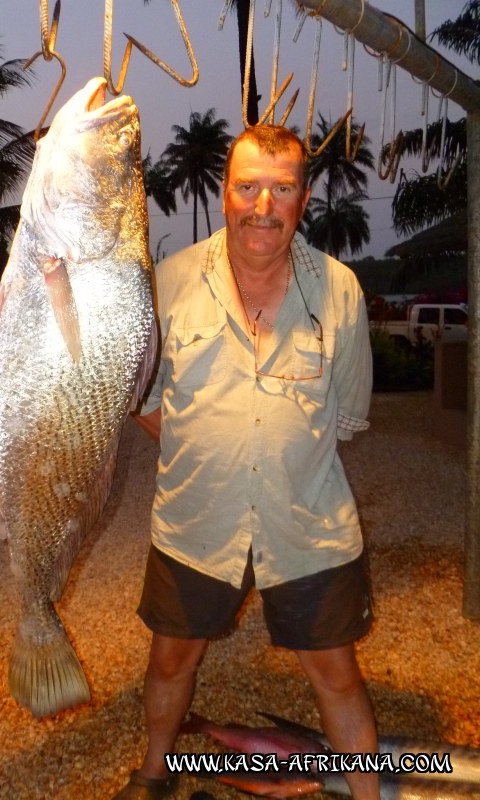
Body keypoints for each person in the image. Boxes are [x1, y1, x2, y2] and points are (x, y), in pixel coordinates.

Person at [115, 125, 378, 800]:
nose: (264, 205)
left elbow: (346, 414)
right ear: (226, 192)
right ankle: (154, 774)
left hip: (308, 523)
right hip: (197, 519)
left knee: (338, 676)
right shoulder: (168, 283)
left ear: (304, 198)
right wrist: (201, 445)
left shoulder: (340, 290)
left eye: (282, 188)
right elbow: (137, 393)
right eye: (248, 186)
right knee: (172, 660)